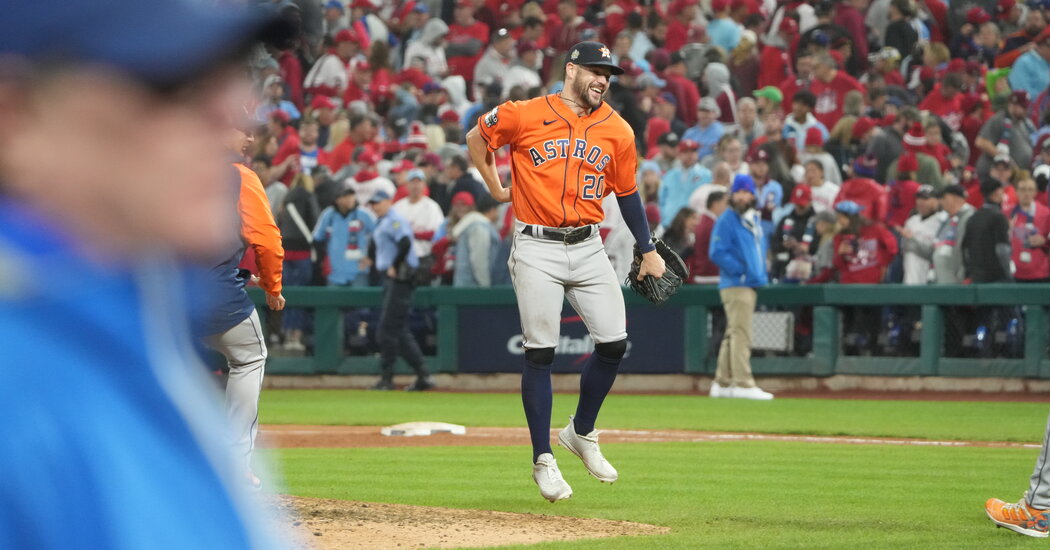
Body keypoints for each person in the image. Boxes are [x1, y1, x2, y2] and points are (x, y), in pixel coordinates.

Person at [0, 0, 289, 548]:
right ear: (15, 119)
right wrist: (272, 290)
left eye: (220, 77)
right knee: (250, 357)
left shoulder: (134, 331)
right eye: (169, 83)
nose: (228, 112)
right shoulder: (19, 388)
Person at [464, 41, 666, 503]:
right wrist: (496, 186)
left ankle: (581, 433)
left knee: (614, 342)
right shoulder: (525, 113)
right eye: (596, 70)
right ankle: (543, 459)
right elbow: (478, 137)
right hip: (536, 244)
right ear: (571, 69)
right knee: (541, 352)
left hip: (589, 243)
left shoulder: (618, 129)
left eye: (609, 75)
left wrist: (647, 247)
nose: (603, 80)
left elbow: (628, 194)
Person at [708, 174, 774, 401]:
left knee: (733, 333)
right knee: (741, 333)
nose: (743, 196)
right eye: (739, 192)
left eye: (747, 192)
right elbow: (716, 252)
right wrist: (742, 271)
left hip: (748, 282)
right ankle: (743, 383)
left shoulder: (752, 218)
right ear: (732, 194)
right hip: (737, 283)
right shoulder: (727, 219)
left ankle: (722, 382)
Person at [368, 190, 435, 391]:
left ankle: (387, 378)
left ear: (389, 202)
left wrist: (395, 265)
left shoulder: (395, 219)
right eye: (372, 203)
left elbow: (405, 242)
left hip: (400, 279)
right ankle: (423, 375)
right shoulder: (383, 221)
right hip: (391, 280)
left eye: (378, 202)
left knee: (387, 331)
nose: (375, 206)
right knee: (398, 330)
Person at [313, 184, 376, 287]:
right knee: (334, 302)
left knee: (360, 302)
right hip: (334, 271)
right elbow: (317, 239)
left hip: (358, 270)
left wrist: (372, 257)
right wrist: (322, 259)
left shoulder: (364, 214)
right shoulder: (329, 215)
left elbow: (379, 236)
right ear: (337, 200)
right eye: (345, 196)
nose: (350, 199)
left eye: (351, 195)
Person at [453, 194, 502, 287]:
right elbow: (479, 259)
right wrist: (485, 285)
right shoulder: (479, 227)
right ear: (492, 210)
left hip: (468, 287)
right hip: (472, 289)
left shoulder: (479, 225)